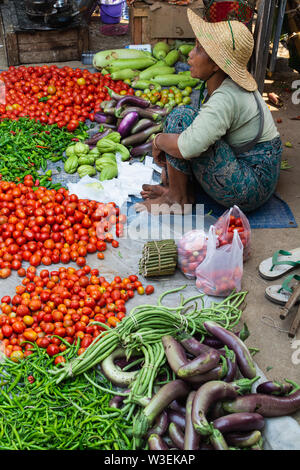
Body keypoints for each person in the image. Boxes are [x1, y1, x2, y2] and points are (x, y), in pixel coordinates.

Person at [136, 8, 282, 214]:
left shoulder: (226, 97)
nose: (190, 54)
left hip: (251, 186)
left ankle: (177, 200)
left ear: (216, 64)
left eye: (199, 49)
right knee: (184, 120)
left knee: (180, 120)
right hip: (260, 170)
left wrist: (158, 140)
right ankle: (177, 190)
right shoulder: (223, 84)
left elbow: (188, 146)